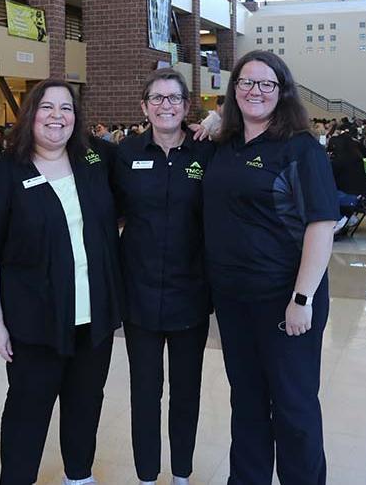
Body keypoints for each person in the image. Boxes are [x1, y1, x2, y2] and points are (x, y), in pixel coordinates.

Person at [0, 79, 122, 485]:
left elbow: (150, 155)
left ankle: (79, 476)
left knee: (86, 404)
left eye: (67, 108)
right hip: (33, 321)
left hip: (94, 318)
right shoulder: (4, 172)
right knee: (27, 409)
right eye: (47, 107)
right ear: (30, 115)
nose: (58, 116)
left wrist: (209, 127)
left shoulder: (95, 160)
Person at [203, 51, 338, 485]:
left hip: (285, 301)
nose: (255, 91)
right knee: (247, 401)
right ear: (233, 89)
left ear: (282, 92)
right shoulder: (223, 146)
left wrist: (303, 298)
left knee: (294, 405)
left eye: (266, 84)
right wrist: (210, 123)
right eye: (246, 83)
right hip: (234, 301)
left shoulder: (300, 148)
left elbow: (321, 224)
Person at [111, 69, 214, 485]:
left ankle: (182, 474)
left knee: (186, 393)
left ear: (187, 106)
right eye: (156, 98)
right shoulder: (125, 153)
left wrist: (219, 120)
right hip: (138, 292)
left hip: (191, 293)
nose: (165, 105)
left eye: (174, 98)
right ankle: (147, 475)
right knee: (145, 393)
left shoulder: (207, 153)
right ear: (144, 107)